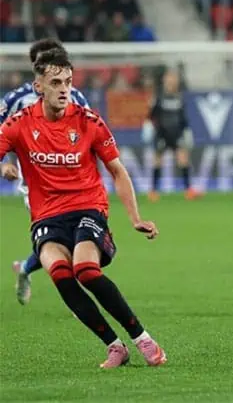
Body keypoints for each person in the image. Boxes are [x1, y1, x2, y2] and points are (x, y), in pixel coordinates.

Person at [0, 48, 167, 368]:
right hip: (47, 214)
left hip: (88, 207)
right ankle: (115, 346)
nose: (64, 89)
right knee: (60, 274)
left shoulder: (88, 121)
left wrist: (135, 218)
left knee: (86, 271)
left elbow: (118, 170)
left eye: (68, 81)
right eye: (55, 82)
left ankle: (143, 338)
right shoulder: (19, 122)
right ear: (39, 87)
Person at [1, 38, 92, 306]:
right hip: (36, 184)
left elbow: (90, 136)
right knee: (58, 235)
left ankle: (26, 267)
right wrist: (5, 163)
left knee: (71, 236)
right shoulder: (17, 98)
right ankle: (77, 295)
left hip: (73, 182)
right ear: (35, 69)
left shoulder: (74, 97)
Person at [142, 68, 200, 201]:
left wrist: (186, 130)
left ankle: (188, 190)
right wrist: (147, 125)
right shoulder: (158, 96)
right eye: (170, 78)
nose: (172, 81)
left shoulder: (179, 97)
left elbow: (182, 116)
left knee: (183, 159)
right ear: (165, 80)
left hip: (177, 133)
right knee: (157, 160)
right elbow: (152, 114)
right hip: (162, 133)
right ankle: (153, 191)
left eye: (174, 78)